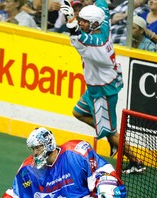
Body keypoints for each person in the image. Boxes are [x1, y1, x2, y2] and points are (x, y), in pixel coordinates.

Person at [60, 0, 146, 174]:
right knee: (78, 112)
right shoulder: (103, 24)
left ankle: (136, 162)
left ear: (94, 24)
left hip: (103, 91)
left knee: (111, 130)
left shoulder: (95, 43)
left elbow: (77, 36)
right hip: (98, 85)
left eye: (85, 21)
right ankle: (105, 131)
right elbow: (102, 5)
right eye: (80, 19)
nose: (81, 22)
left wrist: (71, 20)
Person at [0, 127, 126, 198]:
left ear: (49, 145)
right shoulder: (28, 171)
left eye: (38, 148)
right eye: (33, 149)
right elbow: (13, 197)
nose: (35, 153)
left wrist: (106, 184)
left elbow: (100, 170)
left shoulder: (76, 152)